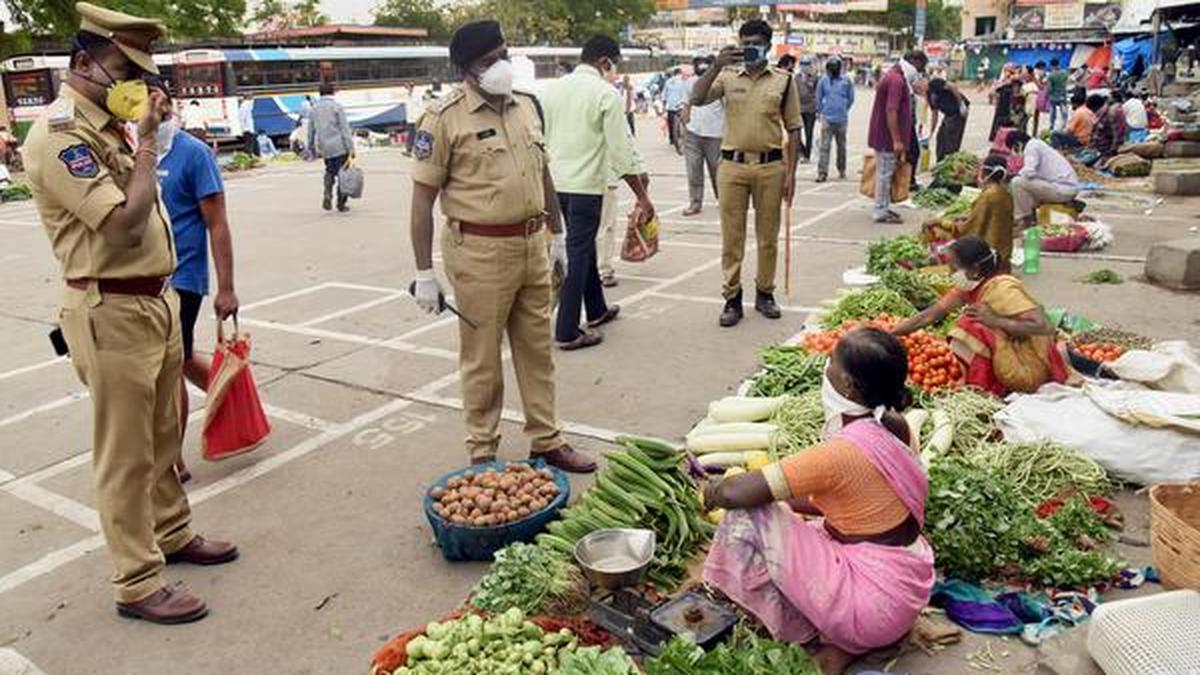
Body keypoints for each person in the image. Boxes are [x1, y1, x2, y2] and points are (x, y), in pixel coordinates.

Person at [22, 2, 237, 625]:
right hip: (108, 307)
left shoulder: (102, 125)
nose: (137, 85)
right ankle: (137, 581)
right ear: (84, 64)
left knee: (163, 436)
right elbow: (120, 224)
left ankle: (173, 533)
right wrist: (147, 145)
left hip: (154, 300)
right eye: (125, 70)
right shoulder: (61, 135)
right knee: (125, 454)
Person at [407, 20, 595, 473]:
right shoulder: (443, 118)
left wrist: (559, 235)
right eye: (488, 61)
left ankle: (546, 440)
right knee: (482, 359)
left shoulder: (527, 106)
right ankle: (482, 451)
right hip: (479, 252)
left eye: (503, 55)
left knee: (537, 351)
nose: (500, 67)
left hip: (533, 245)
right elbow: (421, 200)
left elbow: (543, 174)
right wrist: (424, 274)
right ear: (466, 70)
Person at [702, 327, 935, 675]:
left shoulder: (840, 452)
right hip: (907, 593)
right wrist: (788, 501)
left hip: (870, 609)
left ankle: (807, 632)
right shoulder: (896, 425)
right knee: (797, 518)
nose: (826, 369)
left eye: (832, 365)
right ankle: (846, 639)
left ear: (850, 387)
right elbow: (849, 501)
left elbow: (735, 494)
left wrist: (712, 491)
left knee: (749, 516)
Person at [145, 79, 239, 483]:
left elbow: (217, 223)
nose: (153, 112)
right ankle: (234, 396)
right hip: (145, 277)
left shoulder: (194, 154)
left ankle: (172, 460)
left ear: (170, 106)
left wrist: (226, 286)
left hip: (183, 278)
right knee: (178, 362)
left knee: (169, 368)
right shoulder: (135, 152)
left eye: (159, 104)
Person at [542, 35, 653, 350]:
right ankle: (566, 330)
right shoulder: (606, 94)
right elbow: (621, 152)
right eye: (613, 65)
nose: (614, 71)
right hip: (585, 187)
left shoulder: (553, 89)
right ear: (605, 61)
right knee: (578, 253)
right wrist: (642, 196)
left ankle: (597, 309)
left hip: (556, 185)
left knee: (583, 246)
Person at [690, 19, 802, 327]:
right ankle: (732, 299)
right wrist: (714, 65)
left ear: (767, 44)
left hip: (770, 167)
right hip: (732, 167)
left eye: (755, 42)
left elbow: (794, 129)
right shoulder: (726, 76)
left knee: (768, 237)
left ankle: (765, 293)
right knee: (732, 237)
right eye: (745, 42)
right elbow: (697, 98)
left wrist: (791, 174)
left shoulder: (783, 80)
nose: (749, 47)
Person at [893, 236, 1094, 395]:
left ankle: (988, 387)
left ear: (974, 269)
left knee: (969, 326)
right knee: (972, 323)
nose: (950, 273)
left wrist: (995, 321)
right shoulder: (970, 287)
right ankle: (985, 381)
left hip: (1028, 360)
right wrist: (891, 333)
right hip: (1006, 349)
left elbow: (1043, 326)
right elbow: (929, 316)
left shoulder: (1003, 288)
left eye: (954, 268)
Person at [867, 51, 927, 224]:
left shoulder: (897, 76)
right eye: (920, 68)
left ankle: (883, 206)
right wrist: (897, 139)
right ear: (914, 63)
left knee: (886, 172)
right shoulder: (897, 80)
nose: (920, 73)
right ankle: (880, 210)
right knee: (884, 173)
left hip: (887, 134)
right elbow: (891, 110)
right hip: (886, 136)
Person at [924, 155, 1014, 268]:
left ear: (985, 174)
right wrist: (963, 218)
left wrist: (941, 221)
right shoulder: (1005, 194)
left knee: (936, 228)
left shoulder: (988, 196)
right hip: (1003, 252)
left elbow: (967, 230)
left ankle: (947, 265)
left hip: (989, 254)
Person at [1006, 131, 1080, 227]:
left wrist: (1011, 176)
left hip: (1063, 189)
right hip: (1064, 187)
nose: (1016, 152)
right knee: (1024, 191)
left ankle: (1022, 220)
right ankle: (1030, 218)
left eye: (1014, 149)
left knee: (1016, 182)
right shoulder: (1036, 144)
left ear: (1018, 144)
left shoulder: (1031, 147)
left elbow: (1029, 172)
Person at [681, 54, 724, 216]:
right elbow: (686, 104)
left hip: (716, 133)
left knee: (717, 170)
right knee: (693, 170)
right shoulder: (690, 82)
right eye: (699, 62)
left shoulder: (720, 82)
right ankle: (695, 203)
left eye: (706, 63)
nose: (702, 66)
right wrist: (682, 129)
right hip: (693, 133)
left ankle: (723, 200)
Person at [307, 81, 355, 212]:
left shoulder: (314, 109)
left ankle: (327, 192)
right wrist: (351, 148)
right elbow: (345, 129)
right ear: (332, 92)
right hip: (339, 146)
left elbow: (310, 130)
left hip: (325, 147)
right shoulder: (337, 107)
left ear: (320, 93)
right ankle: (341, 204)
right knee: (343, 175)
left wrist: (310, 147)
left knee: (329, 171)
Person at [815, 56, 854, 182]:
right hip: (827, 118)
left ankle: (841, 169)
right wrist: (821, 111)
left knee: (841, 146)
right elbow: (818, 97)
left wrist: (844, 108)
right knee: (824, 147)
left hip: (841, 119)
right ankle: (822, 172)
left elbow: (851, 98)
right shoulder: (823, 81)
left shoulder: (846, 81)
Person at [926, 77, 969, 161]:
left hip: (958, 111)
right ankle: (940, 160)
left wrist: (961, 104)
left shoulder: (934, 83)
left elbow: (952, 86)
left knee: (951, 136)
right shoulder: (928, 95)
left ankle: (950, 160)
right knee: (941, 136)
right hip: (948, 113)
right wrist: (932, 131)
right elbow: (934, 114)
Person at [795, 55, 819, 163]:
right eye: (803, 64)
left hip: (811, 109)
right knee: (796, 133)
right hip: (799, 109)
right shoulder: (796, 78)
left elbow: (818, 94)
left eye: (807, 64)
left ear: (810, 66)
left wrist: (818, 110)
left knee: (809, 134)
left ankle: (807, 156)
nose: (805, 67)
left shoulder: (815, 78)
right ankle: (802, 150)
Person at [1090, 92, 1127, 162]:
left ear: (1095, 107)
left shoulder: (1110, 114)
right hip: (1103, 151)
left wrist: (1112, 151)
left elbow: (1117, 135)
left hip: (1109, 152)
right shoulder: (1102, 114)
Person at [989, 65, 1019, 142]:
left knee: (1007, 118)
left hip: (1009, 102)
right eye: (1006, 70)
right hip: (1001, 102)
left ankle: (1006, 136)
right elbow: (993, 90)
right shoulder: (1001, 80)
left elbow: (1016, 80)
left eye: (1010, 70)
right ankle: (996, 135)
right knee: (998, 118)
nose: (1008, 72)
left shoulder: (1014, 78)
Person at [662, 67, 689, 150]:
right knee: (685, 122)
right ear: (680, 73)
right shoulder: (684, 81)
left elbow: (664, 95)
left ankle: (672, 139)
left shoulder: (668, 81)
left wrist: (664, 105)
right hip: (681, 105)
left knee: (670, 122)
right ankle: (684, 137)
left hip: (670, 105)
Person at [1047, 59, 1070, 131]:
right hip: (1063, 95)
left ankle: (1052, 125)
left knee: (1053, 112)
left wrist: (1048, 93)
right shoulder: (1065, 73)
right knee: (1063, 111)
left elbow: (1049, 88)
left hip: (1053, 97)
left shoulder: (1050, 75)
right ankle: (1064, 125)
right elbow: (1066, 83)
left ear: (1051, 65)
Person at [404, 85, 423, 156]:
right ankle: (410, 149)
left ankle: (412, 149)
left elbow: (419, 108)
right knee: (412, 134)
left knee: (414, 134)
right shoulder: (408, 97)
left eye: (410, 87)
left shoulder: (416, 96)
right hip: (410, 119)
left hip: (415, 119)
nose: (409, 89)